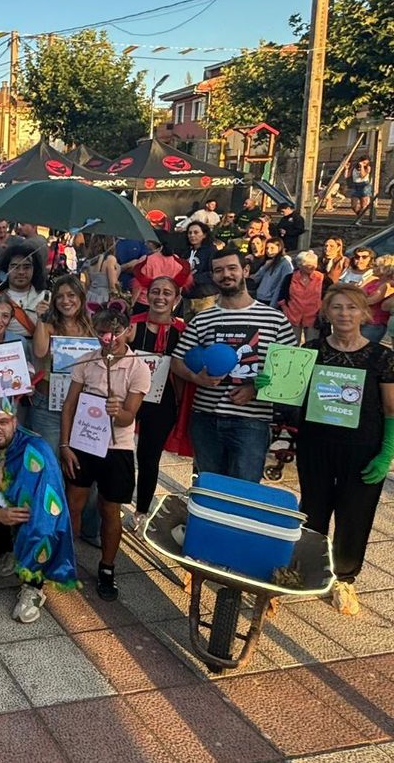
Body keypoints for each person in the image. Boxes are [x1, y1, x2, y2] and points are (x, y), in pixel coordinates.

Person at [257, 284, 394, 616]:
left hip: (363, 449)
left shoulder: (382, 356)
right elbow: (293, 398)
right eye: (337, 307)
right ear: (326, 312)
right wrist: (271, 386)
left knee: (354, 516)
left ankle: (344, 579)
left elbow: (391, 409)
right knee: (313, 511)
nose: (344, 314)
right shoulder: (312, 350)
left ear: (364, 313)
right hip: (316, 445)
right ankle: (298, 571)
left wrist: (386, 452)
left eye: (351, 307)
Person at [171, 247, 296, 482]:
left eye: (231, 268)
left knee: (242, 492)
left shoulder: (275, 319)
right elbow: (177, 361)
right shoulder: (202, 319)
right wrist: (197, 378)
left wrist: (255, 389)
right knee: (207, 488)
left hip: (252, 422)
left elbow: (289, 373)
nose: (225, 275)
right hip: (206, 418)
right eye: (218, 270)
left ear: (246, 271)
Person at [0, 396, 79, 621]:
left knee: (40, 524)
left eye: (3, 422)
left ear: (15, 422)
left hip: (32, 519)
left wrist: (2, 484)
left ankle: (33, 586)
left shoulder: (37, 449)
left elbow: (46, 508)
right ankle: (9, 550)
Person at [59, 307, 151, 601]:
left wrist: (118, 412)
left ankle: (107, 567)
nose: (108, 339)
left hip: (117, 447)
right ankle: (66, 559)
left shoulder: (138, 367)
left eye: (115, 332)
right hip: (84, 443)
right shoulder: (87, 361)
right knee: (73, 500)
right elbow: (70, 405)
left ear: (127, 332)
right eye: (101, 333)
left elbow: (129, 417)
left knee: (109, 508)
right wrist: (65, 445)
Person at [127, 277, 186, 524]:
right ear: (146, 295)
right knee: (117, 452)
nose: (160, 297)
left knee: (149, 458)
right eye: (155, 292)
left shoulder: (183, 331)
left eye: (167, 293)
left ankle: (141, 510)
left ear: (177, 298)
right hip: (130, 397)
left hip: (162, 402)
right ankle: (111, 500)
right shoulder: (132, 325)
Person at [30, 275, 95, 454]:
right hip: (48, 406)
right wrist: (40, 320)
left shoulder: (92, 327)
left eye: (71, 295)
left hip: (82, 406)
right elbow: (40, 351)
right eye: (59, 296)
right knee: (50, 464)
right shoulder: (49, 325)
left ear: (81, 297)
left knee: (79, 467)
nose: (65, 301)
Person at [0, 245, 48, 343]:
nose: (21, 272)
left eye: (26, 267)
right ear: (6, 269)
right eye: (15, 267)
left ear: (34, 269)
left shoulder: (45, 298)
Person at [277, 251, 325, 345]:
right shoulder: (290, 277)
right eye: (308, 264)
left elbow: (328, 297)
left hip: (314, 318)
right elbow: (281, 297)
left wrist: (322, 313)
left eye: (314, 264)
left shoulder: (322, 278)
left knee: (312, 345)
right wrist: (286, 312)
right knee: (291, 344)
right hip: (292, 316)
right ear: (300, 265)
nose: (311, 267)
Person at [183, 222, 216, 314]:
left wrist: (192, 278)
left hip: (205, 298)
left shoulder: (211, 251)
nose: (192, 235)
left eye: (196, 232)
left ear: (204, 235)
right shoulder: (185, 252)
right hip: (187, 298)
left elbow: (213, 273)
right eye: (190, 233)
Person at [254, 238, 293, 307]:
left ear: (279, 248)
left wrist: (273, 304)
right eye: (267, 248)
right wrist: (264, 267)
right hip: (259, 297)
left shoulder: (285, 264)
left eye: (272, 248)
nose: (268, 251)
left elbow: (282, 285)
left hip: (270, 300)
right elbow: (256, 279)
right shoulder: (268, 261)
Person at [82, 236, 119, 306]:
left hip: (90, 295)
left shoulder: (89, 261)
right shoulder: (110, 259)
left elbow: (87, 284)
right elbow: (112, 285)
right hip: (104, 297)